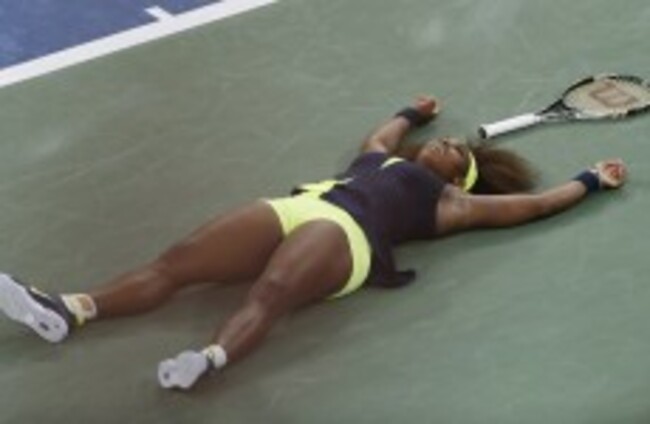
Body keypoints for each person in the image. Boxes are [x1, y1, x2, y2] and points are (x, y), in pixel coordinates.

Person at [0, 96, 626, 390]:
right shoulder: (376, 160)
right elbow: (382, 135)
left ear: (459, 179)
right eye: (445, 140)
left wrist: (589, 180)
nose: (450, 144)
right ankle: (69, 309)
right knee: (178, 262)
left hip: (346, 237)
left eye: (458, 153)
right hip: (300, 207)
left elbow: (533, 205)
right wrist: (412, 111)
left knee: (271, 292)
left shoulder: (448, 203)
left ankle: (209, 359)